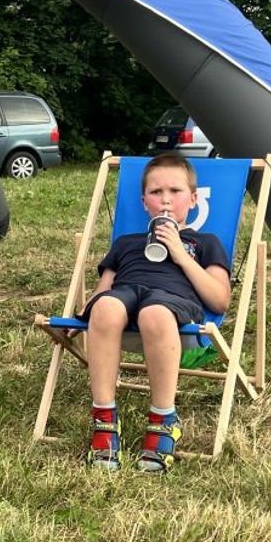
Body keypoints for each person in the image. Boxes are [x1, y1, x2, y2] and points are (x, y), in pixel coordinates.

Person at [79, 154, 230, 472]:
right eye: (156, 192)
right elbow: (104, 289)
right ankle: (104, 418)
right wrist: (80, 317)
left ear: (193, 199)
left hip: (172, 304)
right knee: (104, 307)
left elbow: (219, 300)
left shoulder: (204, 242)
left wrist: (180, 253)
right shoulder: (126, 242)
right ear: (143, 201)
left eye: (175, 191)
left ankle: (163, 419)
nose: (165, 200)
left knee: (154, 314)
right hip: (124, 295)